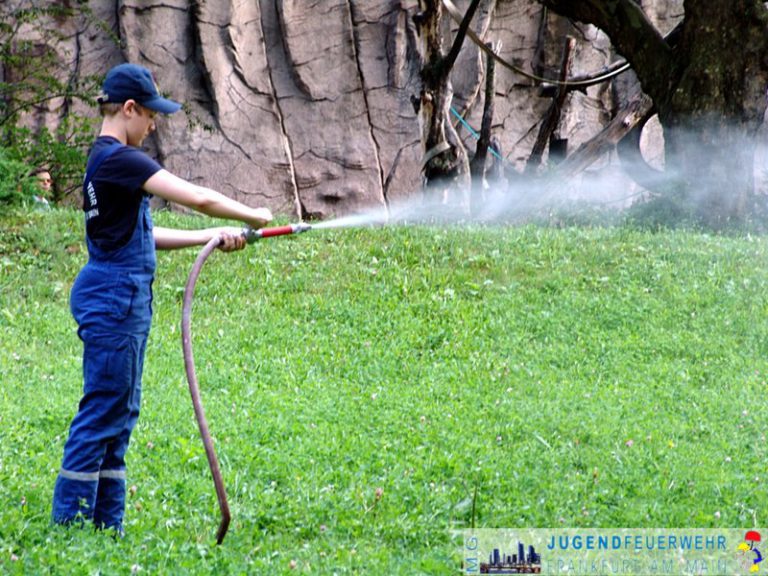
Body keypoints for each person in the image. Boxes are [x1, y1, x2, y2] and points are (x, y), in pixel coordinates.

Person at [51, 62, 273, 535]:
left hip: (116, 293)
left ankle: (106, 528)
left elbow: (139, 236)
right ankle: (68, 527)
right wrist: (252, 213)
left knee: (119, 412)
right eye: (150, 115)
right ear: (129, 109)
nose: (153, 125)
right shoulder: (120, 160)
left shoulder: (103, 162)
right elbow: (197, 196)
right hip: (115, 297)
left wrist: (208, 236)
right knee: (102, 409)